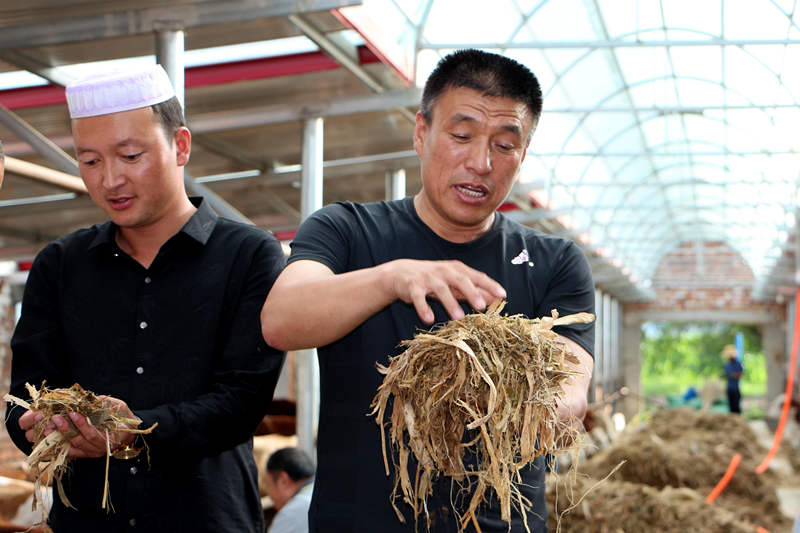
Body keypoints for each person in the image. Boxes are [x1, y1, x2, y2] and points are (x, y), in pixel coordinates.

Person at [261, 49, 595, 532]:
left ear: (523, 156)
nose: (481, 162)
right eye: (461, 136)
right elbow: (281, 320)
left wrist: (505, 404)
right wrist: (391, 278)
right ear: (421, 133)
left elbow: (570, 392)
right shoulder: (346, 230)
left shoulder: (554, 261)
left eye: (505, 145)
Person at [4, 64, 286, 532]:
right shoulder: (59, 265)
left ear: (181, 146)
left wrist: (134, 430)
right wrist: (38, 427)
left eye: (130, 155)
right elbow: (25, 397)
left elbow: (241, 402)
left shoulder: (248, 255)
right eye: (90, 161)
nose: (110, 179)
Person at [265, 447, 315, 533]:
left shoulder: (292, 513)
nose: (269, 495)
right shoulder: (323, 495)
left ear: (283, 480)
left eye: (268, 485)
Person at [723, 344, 743, 414]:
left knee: (736, 406)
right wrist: (725, 375)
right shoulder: (727, 365)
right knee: (731, 407)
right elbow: (725, 375)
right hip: (729, 388)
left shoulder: (738, 364)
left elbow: (740, 374)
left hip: (735, 388)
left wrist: (732, 375)